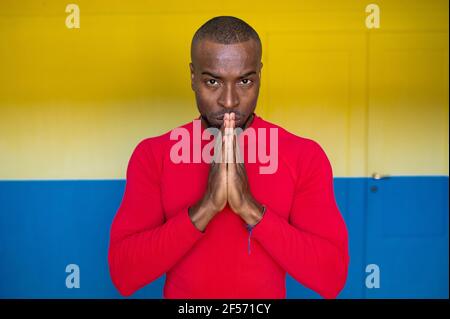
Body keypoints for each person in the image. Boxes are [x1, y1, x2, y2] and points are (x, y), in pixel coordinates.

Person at [108, 16, 349, 299]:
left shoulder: (304, 157)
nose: (230, 101)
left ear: (260, 75)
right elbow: (124, 275)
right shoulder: (153, 156)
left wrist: (249, 208)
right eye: (213, 81)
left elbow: (331, 277)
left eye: (245, 80)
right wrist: (207, 206)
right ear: (193, 77)